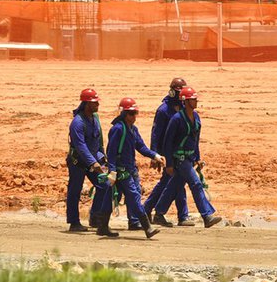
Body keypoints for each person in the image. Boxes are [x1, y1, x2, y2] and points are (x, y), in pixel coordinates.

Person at [151, 87, 223, 228]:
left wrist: (197, 158)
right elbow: (168, 142)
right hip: (180, 159)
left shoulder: (196, 117)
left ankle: (159, 213)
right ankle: (207, 215)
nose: (196, 102)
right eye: (193, 100)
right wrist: (170, 164)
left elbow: (195, 139)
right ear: (186, 101)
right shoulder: (176, 119)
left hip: (189, 158)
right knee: (196, 184)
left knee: (174, 186)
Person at [95, 98, 166, 239]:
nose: (134, 117)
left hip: (128, 170)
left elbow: (141, 146)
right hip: (121, 172)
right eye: (131, 114)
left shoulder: (133, 130)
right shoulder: (118, 129)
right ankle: (147, 227)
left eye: (135, 113)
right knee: (134, 196)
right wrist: (113, 171)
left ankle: (102, 226)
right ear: (124, 114)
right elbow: (112, 152)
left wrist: (155, 155)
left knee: (111, 197)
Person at [143, 77, 191, 227]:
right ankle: (179, 215)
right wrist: (155, 155)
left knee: (173, 182)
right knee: (172, 181)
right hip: (167, 153)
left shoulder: (183, 108)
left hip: (179, 152)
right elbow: (156, 133)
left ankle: (149, 210)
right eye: (179, 92)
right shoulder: (163, 110)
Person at [65, 88, 107, 233]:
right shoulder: (77, 123)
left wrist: (102, 158)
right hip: (78, 162)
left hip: (93, 161)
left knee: (104, 185)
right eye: (94, 103)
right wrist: (93, 163)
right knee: (74, 191)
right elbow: (81, 146)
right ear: (86, 103)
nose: (97, 105)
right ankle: (74, 222)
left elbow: (98, 142)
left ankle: (94, 217)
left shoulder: (95, 120)